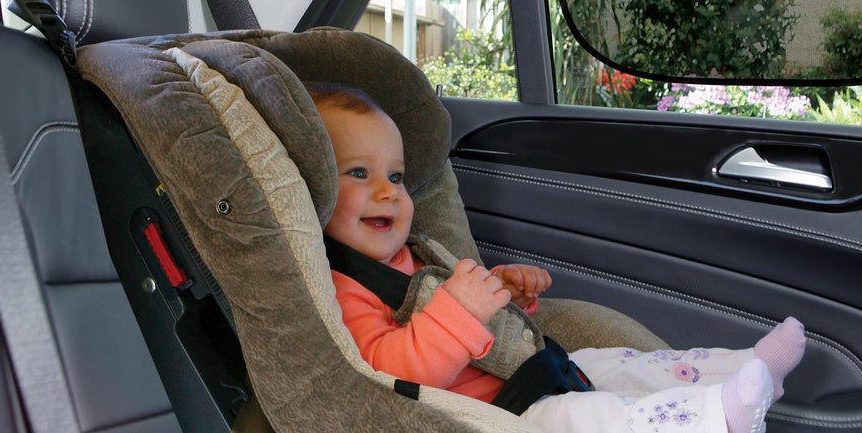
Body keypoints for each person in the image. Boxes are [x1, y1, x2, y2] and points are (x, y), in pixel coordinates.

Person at [309, 82, 804, 433]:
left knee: (622, 364)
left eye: (396, 177)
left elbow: (469, 316)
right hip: (506, 412)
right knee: (594, 419)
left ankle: (743, 368)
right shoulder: (343, 287)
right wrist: (459, 312)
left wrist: (503, 292)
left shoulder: (417, 253)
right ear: (315, 189)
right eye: (359, 173)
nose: (388, 193)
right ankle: (716, 419)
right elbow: (387, 374)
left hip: (532, 369)